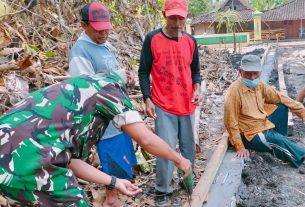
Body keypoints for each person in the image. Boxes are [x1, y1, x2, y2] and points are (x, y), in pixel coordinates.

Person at [0, 72, 191, 206]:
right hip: (28, 162)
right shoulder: (110, 89)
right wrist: (179, 158)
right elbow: (145, 139)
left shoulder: (75, 92)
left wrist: (114, 182)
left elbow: (68, 162)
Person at [68, 2, 136, 206]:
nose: (104, 32)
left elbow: (112, 74)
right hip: (103, 120)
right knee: (111, 160)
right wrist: (117, 79)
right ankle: (112, 200)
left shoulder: (106, 45)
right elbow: (88, 88)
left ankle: (118, 195)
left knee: (122, 159)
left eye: (106, 27)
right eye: (98, 29)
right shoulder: (80, 52)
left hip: (118, 115)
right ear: (84, 25)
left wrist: (126, 79)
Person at [138, 0, 201, 205]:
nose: (176, 22)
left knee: (188, 149)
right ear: (165, 15)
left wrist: (197, 89)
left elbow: (196, 72)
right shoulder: (152, 39)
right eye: (172, 17)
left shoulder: (191, 41)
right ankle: (162, 190)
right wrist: (147, 98)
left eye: (180, 17)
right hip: (163, 104)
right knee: (165, 149)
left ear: (186, 17)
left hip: (187, 105)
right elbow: (143, 71)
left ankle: (187, 182)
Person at [224, 54, 305, 170]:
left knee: (281, 106)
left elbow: (280, 97)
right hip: (249, 134)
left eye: (255, 73)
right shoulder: (234, 92)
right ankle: (297, 153)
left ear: (260, 72)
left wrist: (302, 112)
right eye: (248, 73)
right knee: (277, 141)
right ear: (240, 71)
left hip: (261, 123)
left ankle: (280, 144)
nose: (252, 77)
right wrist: (239, 146)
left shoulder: (259, 85)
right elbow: (230, 122)